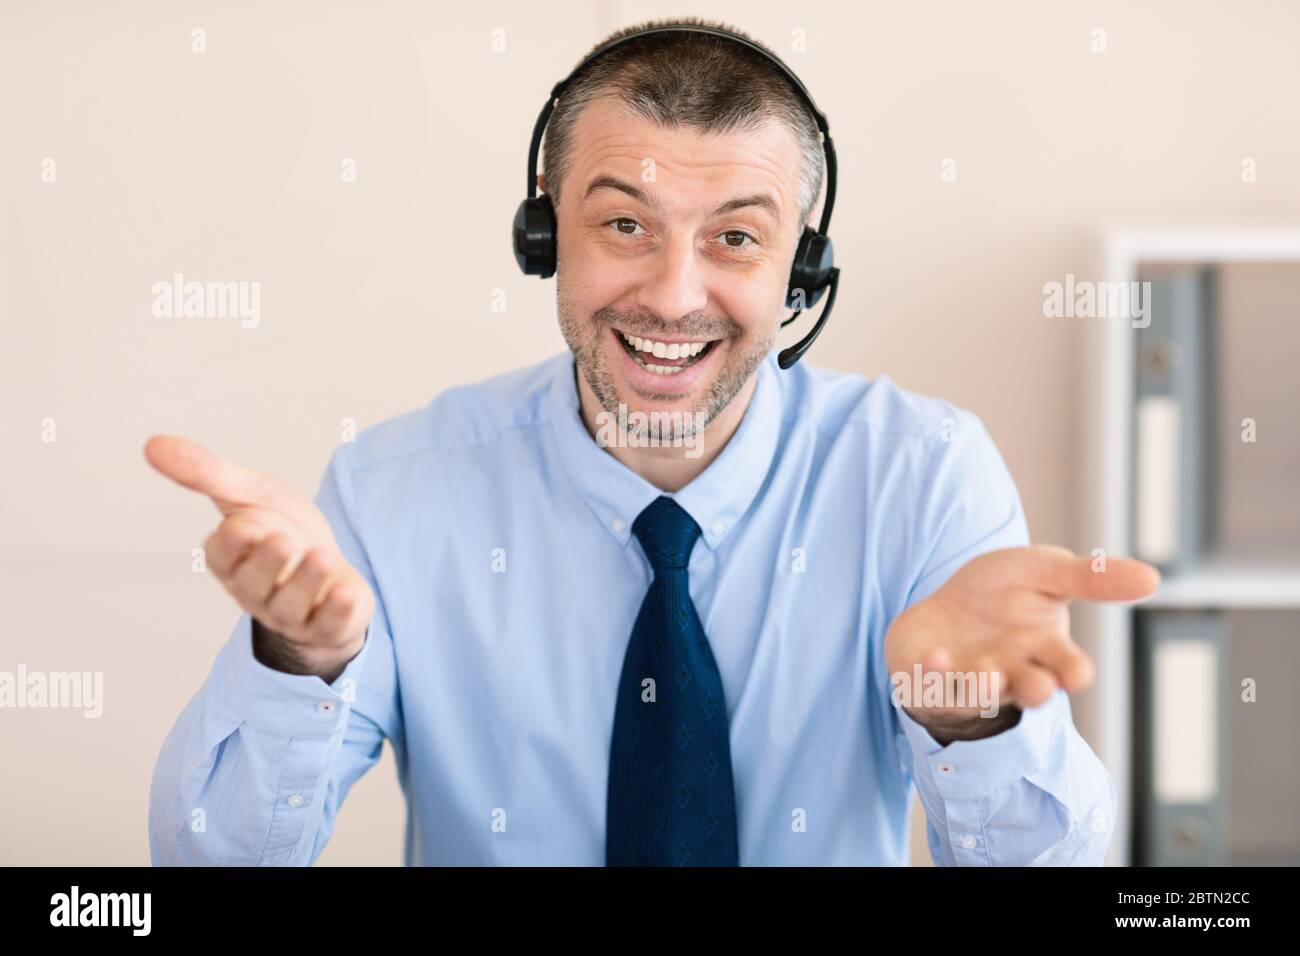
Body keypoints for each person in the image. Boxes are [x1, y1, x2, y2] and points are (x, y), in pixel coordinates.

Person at [145, 18, 1157, 866]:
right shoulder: (393, 487)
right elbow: (208, 860)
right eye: (624, 225)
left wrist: (966, 718)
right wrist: (296, 659)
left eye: (735, 236)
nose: (673, 295)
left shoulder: (922, 472)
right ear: (542, 232)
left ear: (801, 266)